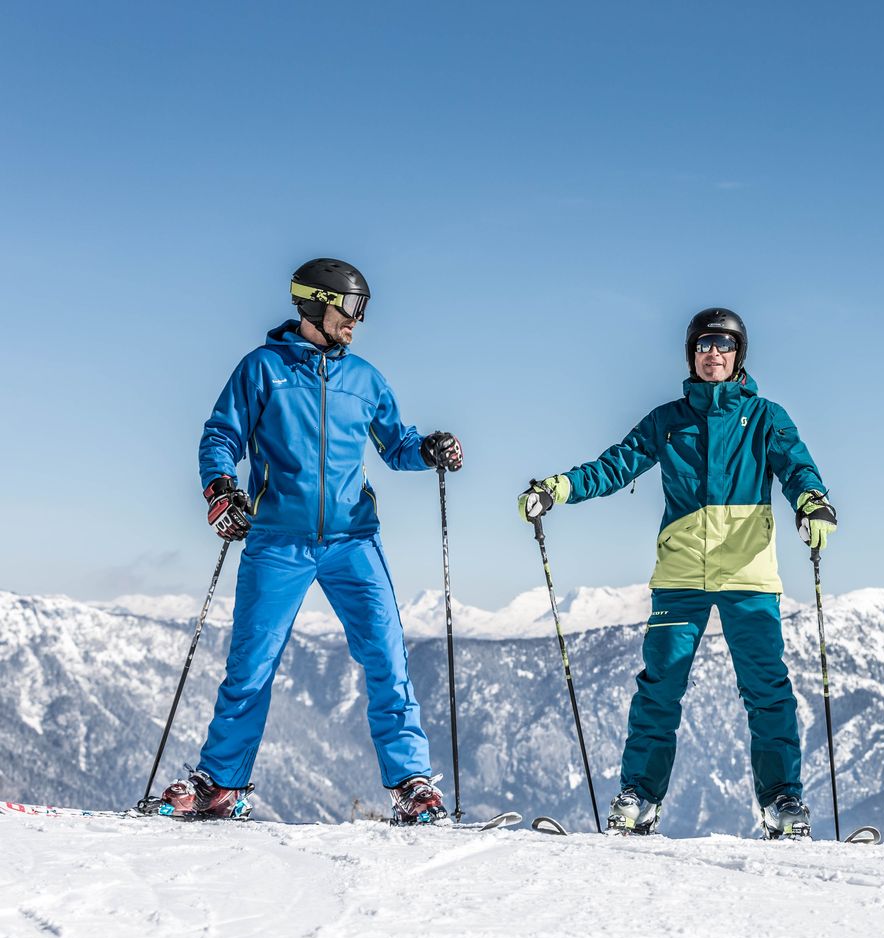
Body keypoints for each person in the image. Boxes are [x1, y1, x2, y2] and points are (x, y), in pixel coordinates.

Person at [159, 258, 463, 824]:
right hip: (277, 539)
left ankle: (412, 785)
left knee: (387, 659)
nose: (357, 320)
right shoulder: (262, 370)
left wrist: (428, 450)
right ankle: (222, 783)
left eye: (362, 310)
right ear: (314, 305)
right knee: (252, 665)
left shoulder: (366, 380)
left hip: (353, 541)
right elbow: (221, 434)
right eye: (351, 308)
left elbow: (398, 446)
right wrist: (221, 487)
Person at [517, 308, 837, 838]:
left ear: (738, 356)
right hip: (680, 574)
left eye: (724, 345)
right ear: (691, 354)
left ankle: (783, 802)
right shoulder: (668, 420)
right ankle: (640, 798)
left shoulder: (764, 417)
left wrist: (812, 501)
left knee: (767, 688)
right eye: (704, 345)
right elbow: (616, 465)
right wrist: (561, 487)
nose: (713, 353)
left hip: (747, 574)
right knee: (659, 686)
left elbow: (796, 465)